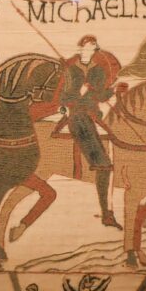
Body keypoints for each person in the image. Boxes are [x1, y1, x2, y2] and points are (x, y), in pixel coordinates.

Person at [58, 35, 122, 229]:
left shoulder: (98, 70)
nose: (90, 50)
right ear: (80, 49)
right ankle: (106, 214)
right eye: (86, 47)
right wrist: (79, 93)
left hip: (94, 115)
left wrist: (114, 90)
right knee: (104, 165)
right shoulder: (71, 70)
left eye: (93, 47)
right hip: (78, 116)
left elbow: (101, 95)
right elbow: (64, 98)